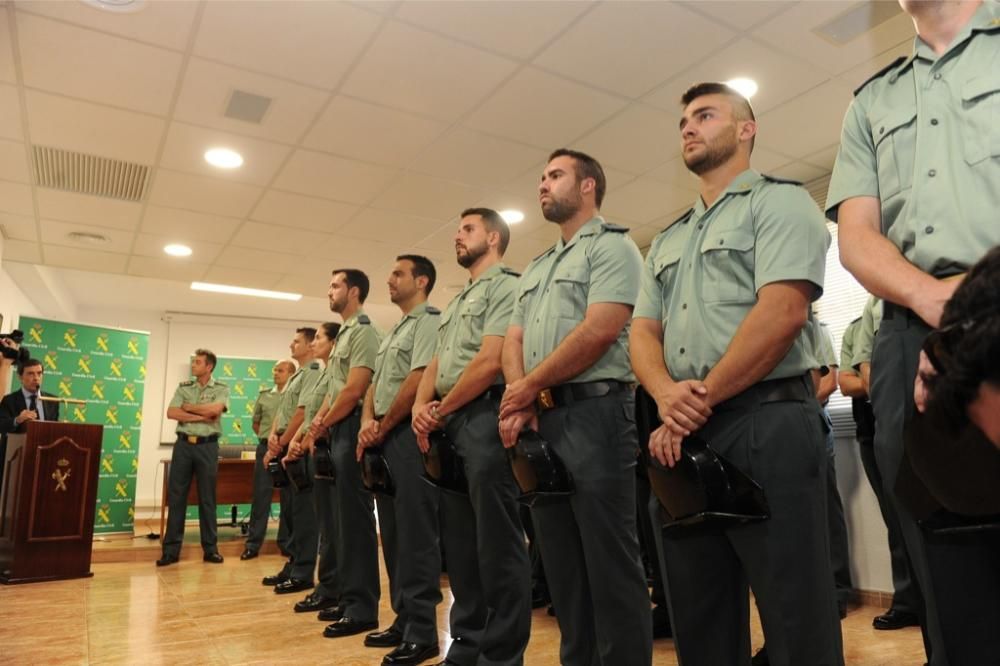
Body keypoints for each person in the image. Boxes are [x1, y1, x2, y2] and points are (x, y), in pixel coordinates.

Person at [630, 83, 841, 666]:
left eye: (704, 115)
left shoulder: (781, 203)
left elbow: (782, 312)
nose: (688, 128)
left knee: (795, 610)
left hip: (766, 420)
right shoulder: (668, 239)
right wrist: (668, 397)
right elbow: (642, 333)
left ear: (746, 129)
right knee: (699, 613)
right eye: (682, 123)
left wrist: (698, 398)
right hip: (683, 432)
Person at [827, 1, 1000, 662]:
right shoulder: (871, 102)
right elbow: (858, 238)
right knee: (937, 540)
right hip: (911, 330)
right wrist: (931, 300)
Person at [499, 149, 651, 666]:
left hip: (598, 417)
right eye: (541, 176)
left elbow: (600, 330)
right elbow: (512, 339)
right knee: (562, 564)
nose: (543, 184)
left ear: (588, 186)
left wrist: (526, 389)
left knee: (610, 564)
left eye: (556, 175)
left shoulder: (613, 248)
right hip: (544, 420)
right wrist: (522, 397)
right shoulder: (538, 267)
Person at [411, 207, 530, 666]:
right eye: (456, 229)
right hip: (452, 422)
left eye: (468, 229)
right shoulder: (459, 299)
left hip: (482, 417)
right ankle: (465, 647)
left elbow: (491, 359)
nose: (457, 237)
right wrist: (423, 405)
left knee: (498, 547)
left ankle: (500, 657)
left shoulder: (507, 286)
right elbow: (438, 362)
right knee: (460, 548)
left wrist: (441, 409)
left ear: (495, 237)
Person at [357, 255, 442, 666]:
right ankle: (404, 618)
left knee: (415, 534)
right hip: (385, 437)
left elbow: (417, 379)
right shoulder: (393, 331)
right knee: (391, 534)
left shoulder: (429, 322)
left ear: (421, 281)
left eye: (397, 273)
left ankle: (423, 631)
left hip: (408, 437)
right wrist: (367, 421)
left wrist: (385, 424)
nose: (389, 279)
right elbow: (374, 384)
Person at [309, 269, 382, 638]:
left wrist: (323, 424)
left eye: (335, 284)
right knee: (341, 522)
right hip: (338, 427)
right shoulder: (346, 337)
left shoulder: (365, 332)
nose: (329, 291)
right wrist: (320, 420)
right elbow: (333, 391)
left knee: (355, 522)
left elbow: (354, 390)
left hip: (351, 426)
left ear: (353, 291)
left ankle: (363, 607)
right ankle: (349, 597)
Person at [840, 299, 920, 631]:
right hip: (872, 430)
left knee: (919, 516)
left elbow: (865, 381)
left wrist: (879, 381)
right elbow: (848, 382)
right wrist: (885, 381)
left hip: (912, 421)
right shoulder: (857, 327)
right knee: (895, 518)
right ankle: (908, 600)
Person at [260, 327, 322, 596]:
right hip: (285, 445)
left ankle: (303, 572)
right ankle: (294, 562)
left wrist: (284, 441)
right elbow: (282, 412)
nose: (291, 345)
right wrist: (274, 437)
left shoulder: (312, 374)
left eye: (297, 341)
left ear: (309, 346)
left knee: (304, 514)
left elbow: (302, 413)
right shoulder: (296, 376)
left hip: (298, 449)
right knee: (290, 513)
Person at [281, 324, 339, 606]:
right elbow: (309, 416)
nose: (314, 342)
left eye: (318, 338)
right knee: (311, 518)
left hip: (321, 448)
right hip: (307, 446)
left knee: (322, 522)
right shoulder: (321, 373)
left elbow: (316, 414)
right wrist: (295, 441)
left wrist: (299, 442)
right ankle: (321, 582)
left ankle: (327, 585)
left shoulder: (326, 373)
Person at [157, 349, 229, 566]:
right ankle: (170, 551)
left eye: (198, 362)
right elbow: (172, 412)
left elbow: (216, 410)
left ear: (209, 367)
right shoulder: (184, 387)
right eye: (193, 362)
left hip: (207, 447)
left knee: (208, 499)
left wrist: (189, 409)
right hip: (183, 446)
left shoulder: (221, 388)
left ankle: (210, 549)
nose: (193, 365)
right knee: (177, 498)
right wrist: (201, 414)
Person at [242, 359, 296, 561]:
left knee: (288, 499)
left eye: (280, 370)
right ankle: (253, 545)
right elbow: (256, 424)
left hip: (289, 448)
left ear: (291, 373)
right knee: (261, 497)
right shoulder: (265, 396)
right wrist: (269, 440)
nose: (275, 373)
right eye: (274, 370)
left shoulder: (295, 394)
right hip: (266, 448)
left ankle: (286, 543)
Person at [0, 358, 59, 432]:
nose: (36, 378)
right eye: (31, 374)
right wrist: (18, 419)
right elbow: (1, 425)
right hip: (18, 442)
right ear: (20, 377)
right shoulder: (9, 400)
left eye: (39, 373)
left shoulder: (52, 400)